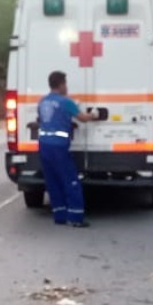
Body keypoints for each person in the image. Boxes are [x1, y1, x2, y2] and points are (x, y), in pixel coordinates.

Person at [37, 71, 99, 228]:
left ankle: (59, 215)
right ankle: (76, 217)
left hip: (44, 145)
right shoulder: (66, 102)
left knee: (52, 181)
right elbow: (82, 118)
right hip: (59, 147)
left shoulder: (42, 102)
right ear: (61, 84)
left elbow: (43, 120)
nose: (67, 86)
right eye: (65, 83)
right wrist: (93, 115)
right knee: (70, 180)